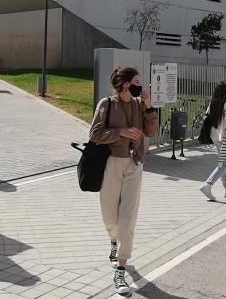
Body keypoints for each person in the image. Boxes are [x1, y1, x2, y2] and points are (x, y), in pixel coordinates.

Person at [89, 67, 159, 296]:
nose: (141, 85)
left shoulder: (140, 104)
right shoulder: (107, 103)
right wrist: (122, 132)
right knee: (110, 215)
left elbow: (152, 131)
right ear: (126, 84)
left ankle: (120, 269)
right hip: (112, 163)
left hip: (135, 164)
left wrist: (149, 109)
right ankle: (113, 241)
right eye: (137, 81)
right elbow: (95, 133)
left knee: (128, 218)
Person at [199, 82, 226, 201]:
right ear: (225, 91)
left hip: (215, 135)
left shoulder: (213, 102)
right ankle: (208, 185)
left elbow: (207, 115)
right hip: (224, 136)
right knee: (225, 164)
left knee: (223, 161)